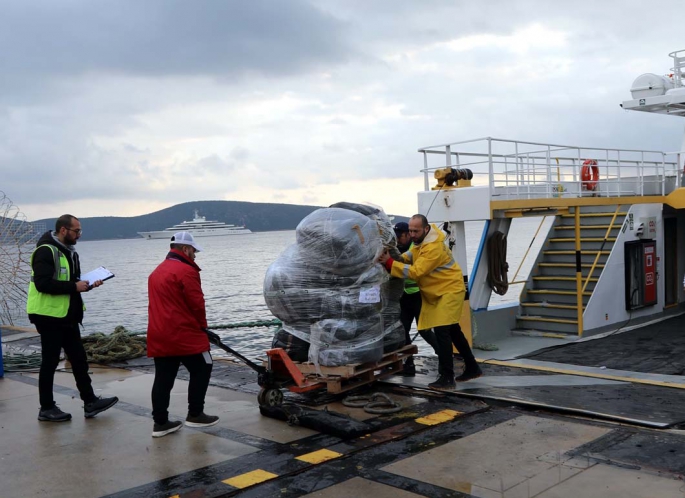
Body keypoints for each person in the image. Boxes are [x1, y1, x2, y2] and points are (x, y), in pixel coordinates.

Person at [27, 214, 119, 422]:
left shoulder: (69, 252)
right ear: (63, 230)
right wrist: (73, 286)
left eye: (80, 231)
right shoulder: (45, 251)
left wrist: (86, 285)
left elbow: (71, 282)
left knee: (79, 360)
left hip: (68, 315)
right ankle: (47, 408)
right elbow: (42, 284)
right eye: (76, 231)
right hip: (48, 316)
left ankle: (90, 402)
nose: (79, 235)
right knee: (49, 363)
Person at [380, 214, 482, 390]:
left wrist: (390, 263)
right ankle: (472, 367)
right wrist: (394, 258)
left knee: (442, 332)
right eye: (410, 230)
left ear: (426, 229)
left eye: (415, 231)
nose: (412, 234)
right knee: (454, 331)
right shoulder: (421, 243)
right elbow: (408, 257)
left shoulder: (433, 247)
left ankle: (447, 377)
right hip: (439, 292)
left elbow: (416, 272)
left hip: (449, 290)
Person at [147, 231, 219, 438]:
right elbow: (197, 304)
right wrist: (204, 330)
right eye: (194, 251)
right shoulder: (186, 271)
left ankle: (160, 423)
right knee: (204, 366)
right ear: (185, 249)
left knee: (163, 378)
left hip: (159, 332)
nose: (195, 255)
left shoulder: (157, 271)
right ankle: (195, 413)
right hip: (183, 333)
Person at [393, 222, 438, 376]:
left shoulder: (416, 248)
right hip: (404, 297)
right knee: (403, 331)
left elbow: (411, 269)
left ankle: (445, 358)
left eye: (401, 236)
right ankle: (408, 365)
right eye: (396, 237)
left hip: (418, 296)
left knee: (424, 330)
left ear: (408, 234)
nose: (398, 239)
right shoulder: (396, 249)